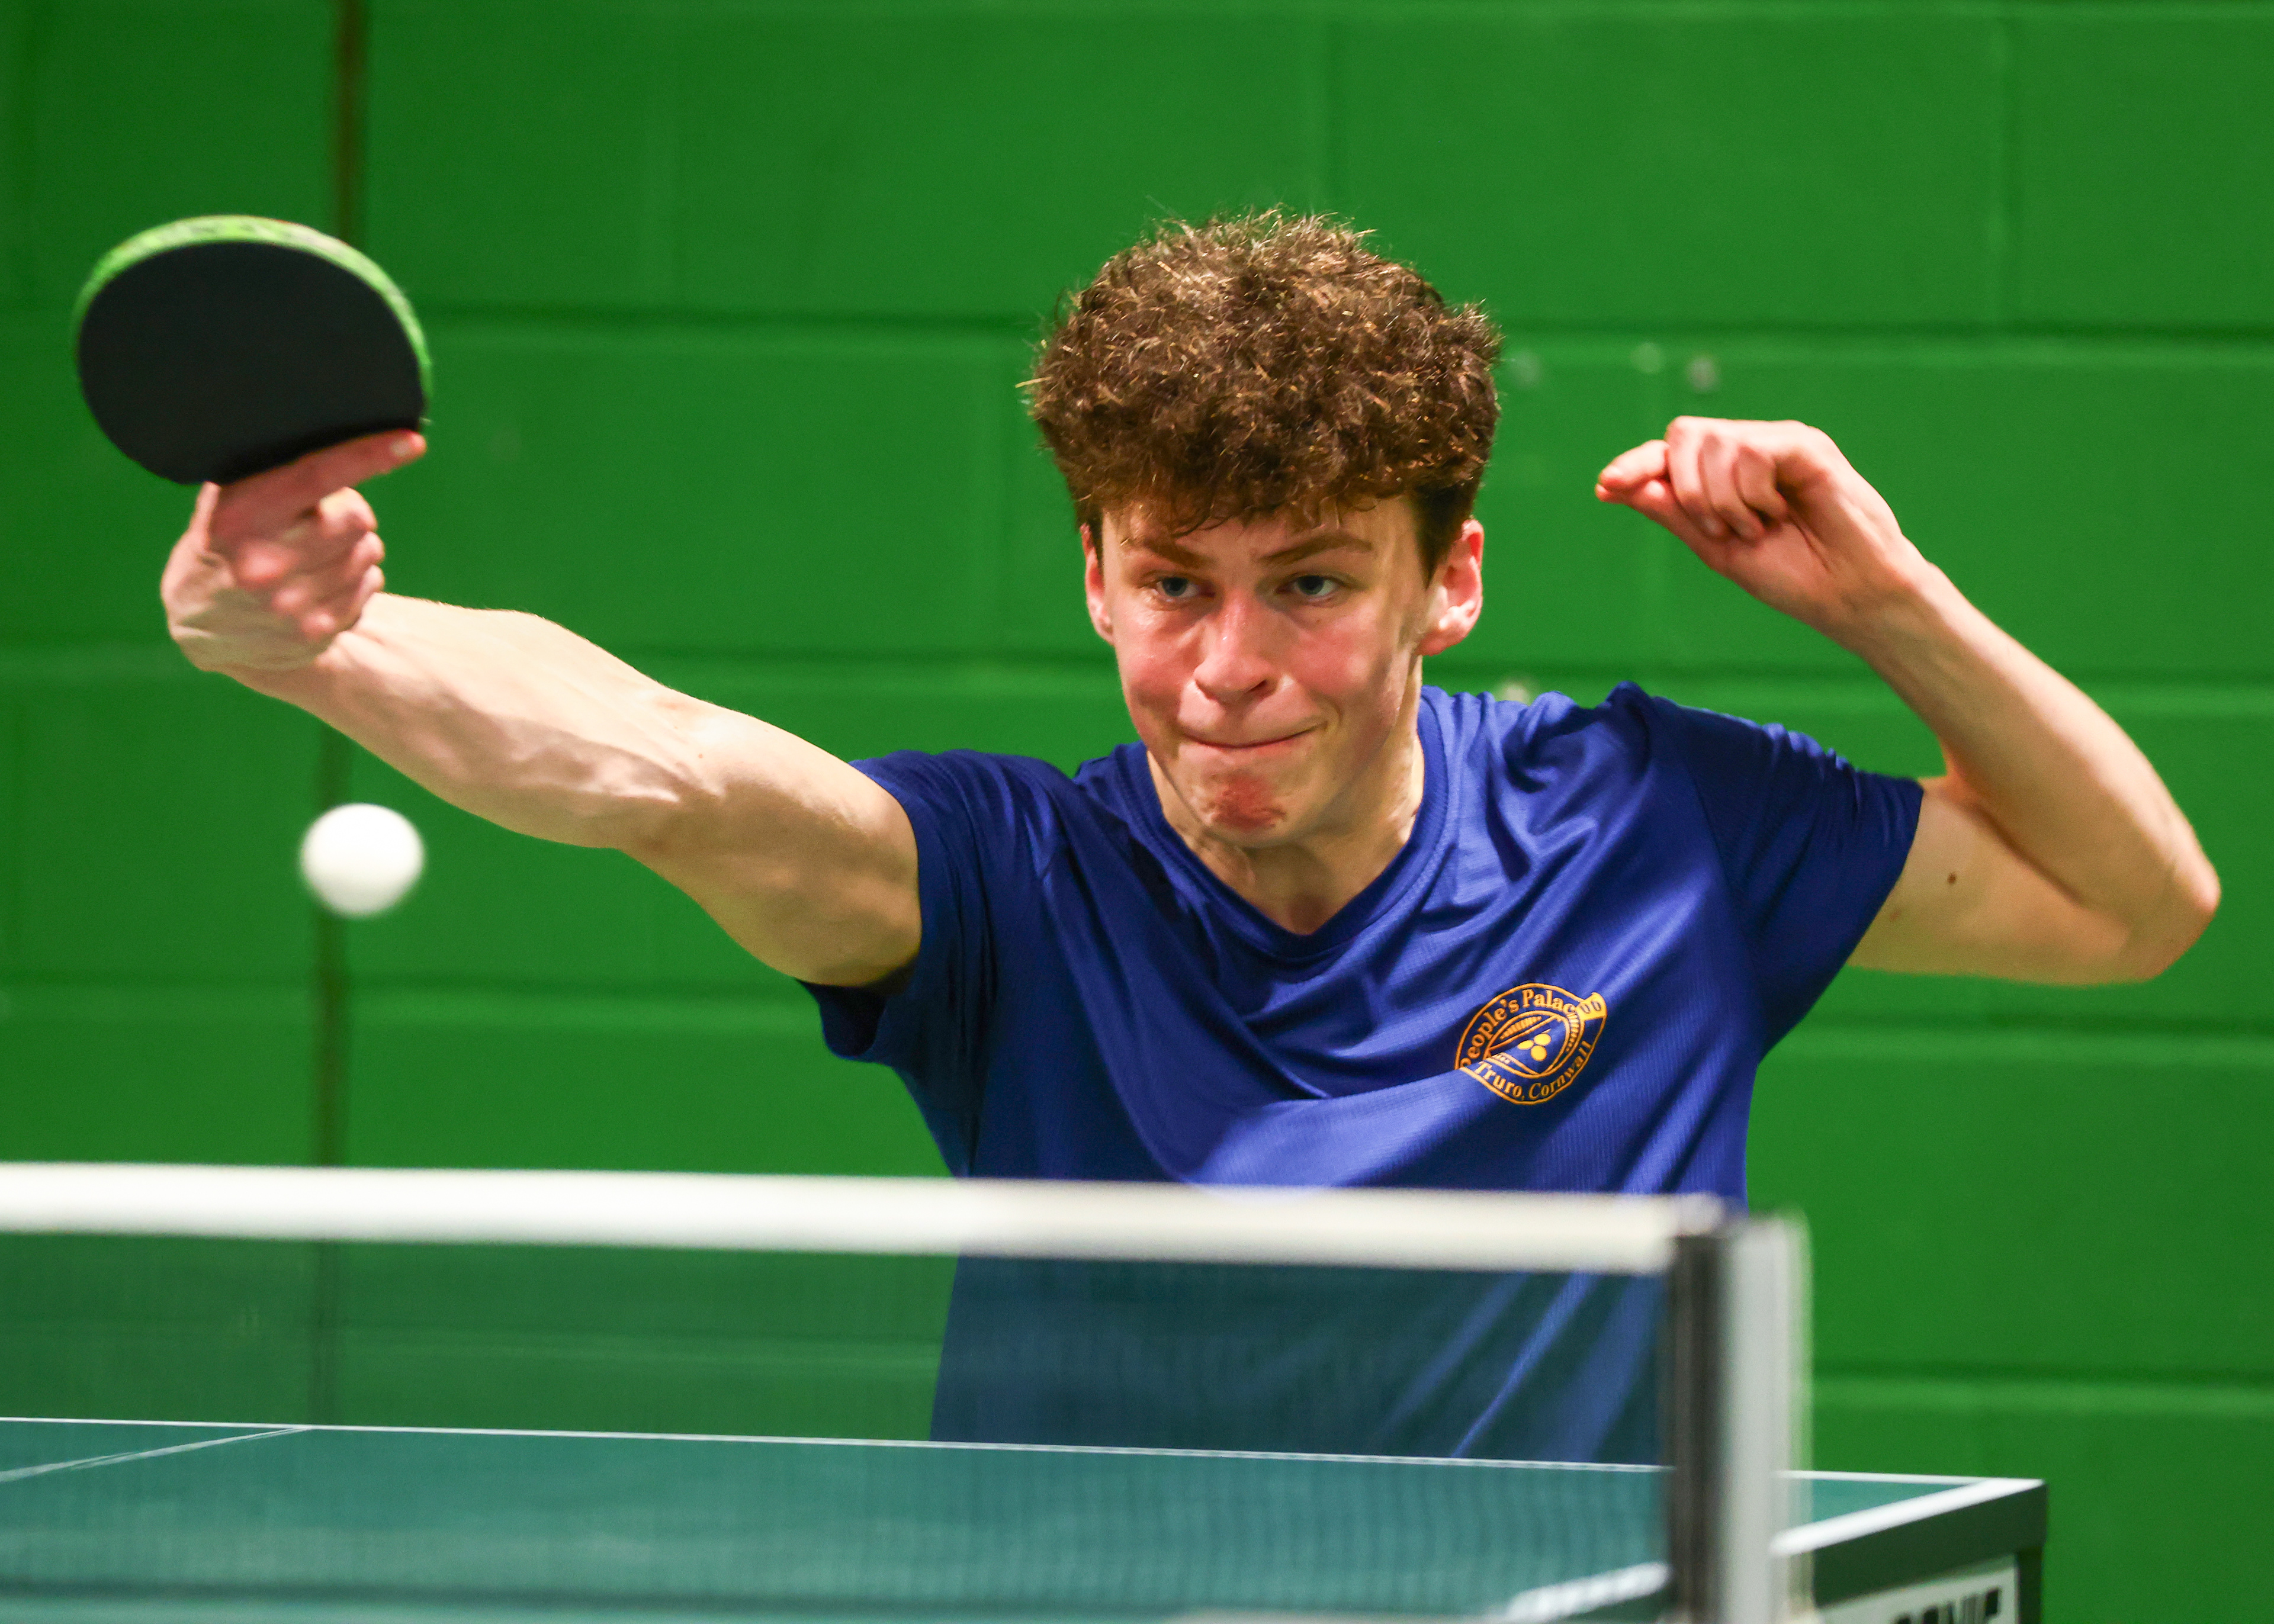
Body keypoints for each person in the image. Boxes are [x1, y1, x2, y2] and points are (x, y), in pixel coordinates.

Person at [160, 214, 2217, 1459]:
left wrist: (1884, 602)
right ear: (1094, 578)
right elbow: (664, 763)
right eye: (1172, 586)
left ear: (1453, 581)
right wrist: (330, 642)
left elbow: (2137, 908)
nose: (1230, 666)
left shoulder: (1661, 829)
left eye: (1313, 586)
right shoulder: (999, 896)